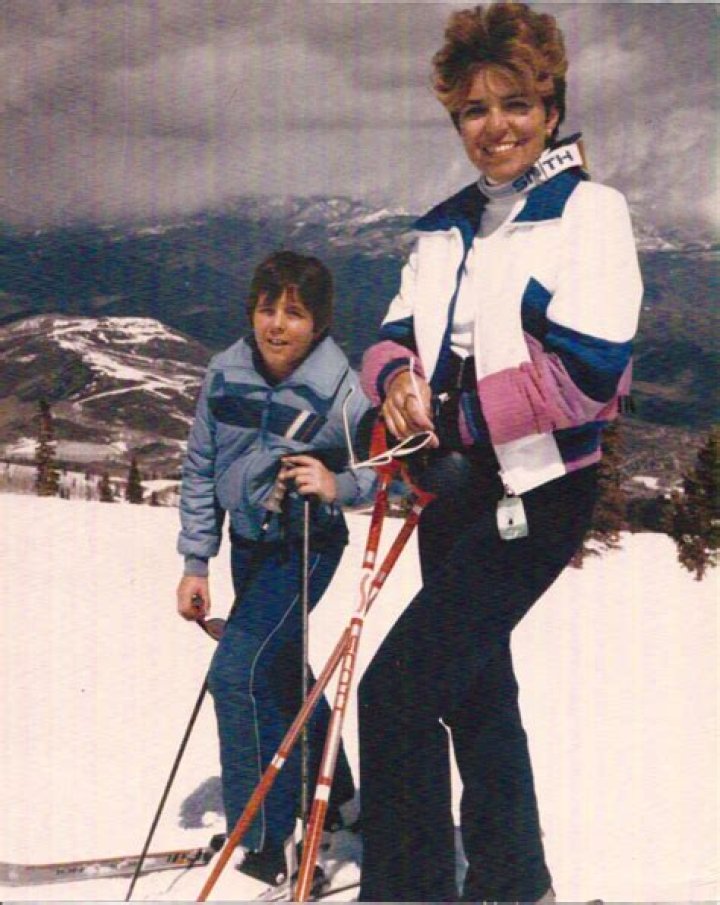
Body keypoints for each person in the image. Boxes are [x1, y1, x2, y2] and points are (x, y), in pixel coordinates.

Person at [357, 2, 643, 901]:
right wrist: (394, 380)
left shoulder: (590, 213)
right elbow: (393, 330)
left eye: (516, 104)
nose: (496, 127)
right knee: (474, 687)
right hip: (454, 492)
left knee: (396, 692)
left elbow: (588, 373)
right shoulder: (446, 226)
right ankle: (515, 881)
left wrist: (450, 419)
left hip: (538, 492)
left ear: (551, 109)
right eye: (474, 110)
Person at [176, 250, 374, 890]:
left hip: (306, 544)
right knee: (280, 666)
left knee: (237, 675)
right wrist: (196, 562)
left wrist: (340, 483)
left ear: (319, 323)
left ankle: (265, 843)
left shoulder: (342, 389)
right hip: (248, 543)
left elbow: (384, 469)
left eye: (295, 313)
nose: (277, 325)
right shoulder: (224, 374)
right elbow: (201, 468)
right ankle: (337, 797)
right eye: (267, 309)